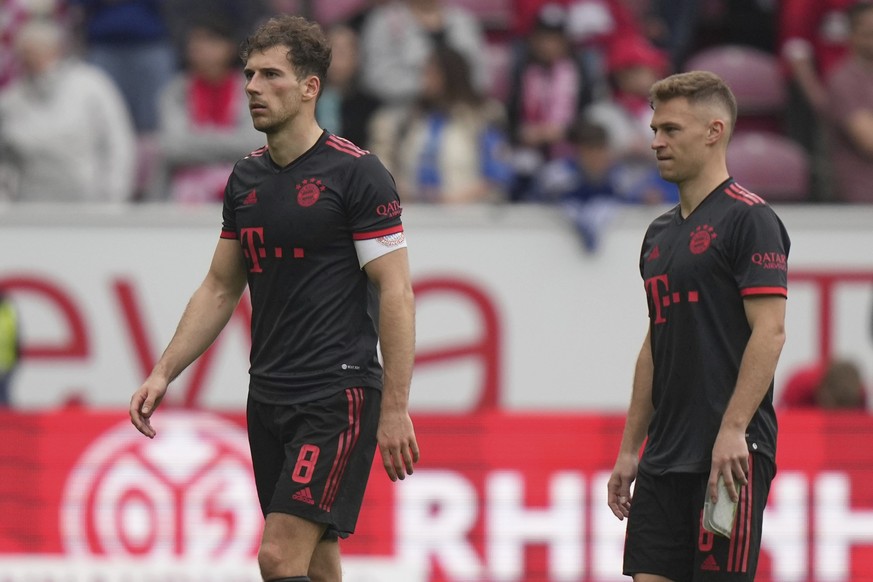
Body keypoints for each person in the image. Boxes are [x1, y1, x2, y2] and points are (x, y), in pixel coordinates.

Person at [129, 15, 419, 582]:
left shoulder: (358, 175)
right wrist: (164, 371)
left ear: (310, 87)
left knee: (277, 557)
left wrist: (396, 406)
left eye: (270, 75)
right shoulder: (246, 179)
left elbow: (397, 290)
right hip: (268, 394)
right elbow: (220, 285)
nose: (252, 88)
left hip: (335, 394)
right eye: (249, 75)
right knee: (316, 562)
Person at [607, 71, 790, 581]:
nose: (656, 142)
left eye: (671, 130)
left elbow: (770, 332)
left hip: (728, 459)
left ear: (714, 131)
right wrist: (629, 449)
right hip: (664, 456)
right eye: (654, 130)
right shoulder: (658, 234)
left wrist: (733, 430)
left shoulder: (750, 220)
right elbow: (655, 343)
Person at [0, 18, 136, 202]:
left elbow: (118, 143)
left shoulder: (91, 86)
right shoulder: (11, 100)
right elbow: (6, 162)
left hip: (88, 204)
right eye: (25, 53)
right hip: (32, 208)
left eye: (37, 52)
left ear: (56, 50)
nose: (30, 60)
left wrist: (112, 198)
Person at [369, 45, 512, 203]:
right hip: (415, 213)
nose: (425, 81)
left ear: (450, 76)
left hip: (470, 215)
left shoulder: (484, 116)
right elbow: (388, 165)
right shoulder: (410, 118)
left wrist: (455, 199)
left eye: (431, 74)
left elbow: (496, 175)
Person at [150, 14, 264, 202]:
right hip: (180, 197)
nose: (198, 48)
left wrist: (198, 139)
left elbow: (256, 144)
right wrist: (229, 144)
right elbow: (172, 146)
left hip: (245, 192)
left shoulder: (251, 89)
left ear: (229, 47)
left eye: (209, 40)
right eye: (194, 42)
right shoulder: (174, 91)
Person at [358, 0, 488, 106]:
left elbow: (482, 77)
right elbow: (375, 77)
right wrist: (424, 85)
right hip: (404, 112)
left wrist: (454, 86)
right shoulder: (383, 21)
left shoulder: (464, 20)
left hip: (462, 109)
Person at [826, 0, 873, 203]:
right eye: (869, 33)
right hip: (862, 199)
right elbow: (869, 141)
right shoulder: (843, 80)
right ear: (851, 35)